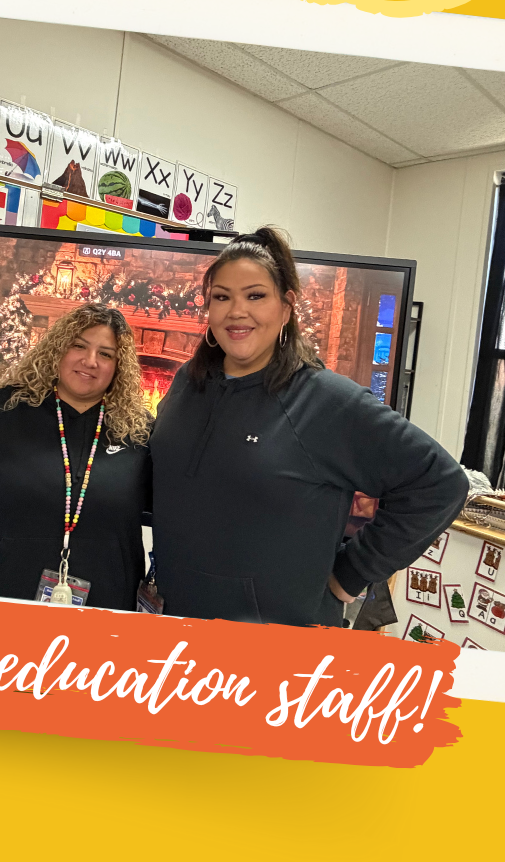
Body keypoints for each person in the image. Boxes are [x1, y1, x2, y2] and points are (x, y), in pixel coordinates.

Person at [148, 226, 469, 627]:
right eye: (222, 297)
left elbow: (440, 483)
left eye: (255, 295)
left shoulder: (326, 400)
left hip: (278, 645)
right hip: (175, 624)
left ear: (286, 307)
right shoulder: (186, 384)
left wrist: (349, 575)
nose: (236, 311)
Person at [0, 303, 152, 610]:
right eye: (79, 346)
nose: (90, 361)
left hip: (105, 601)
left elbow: (175, 502)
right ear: (58, 350)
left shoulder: (138, 432)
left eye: (105, 354)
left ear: (119, 366)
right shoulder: (2, 409)